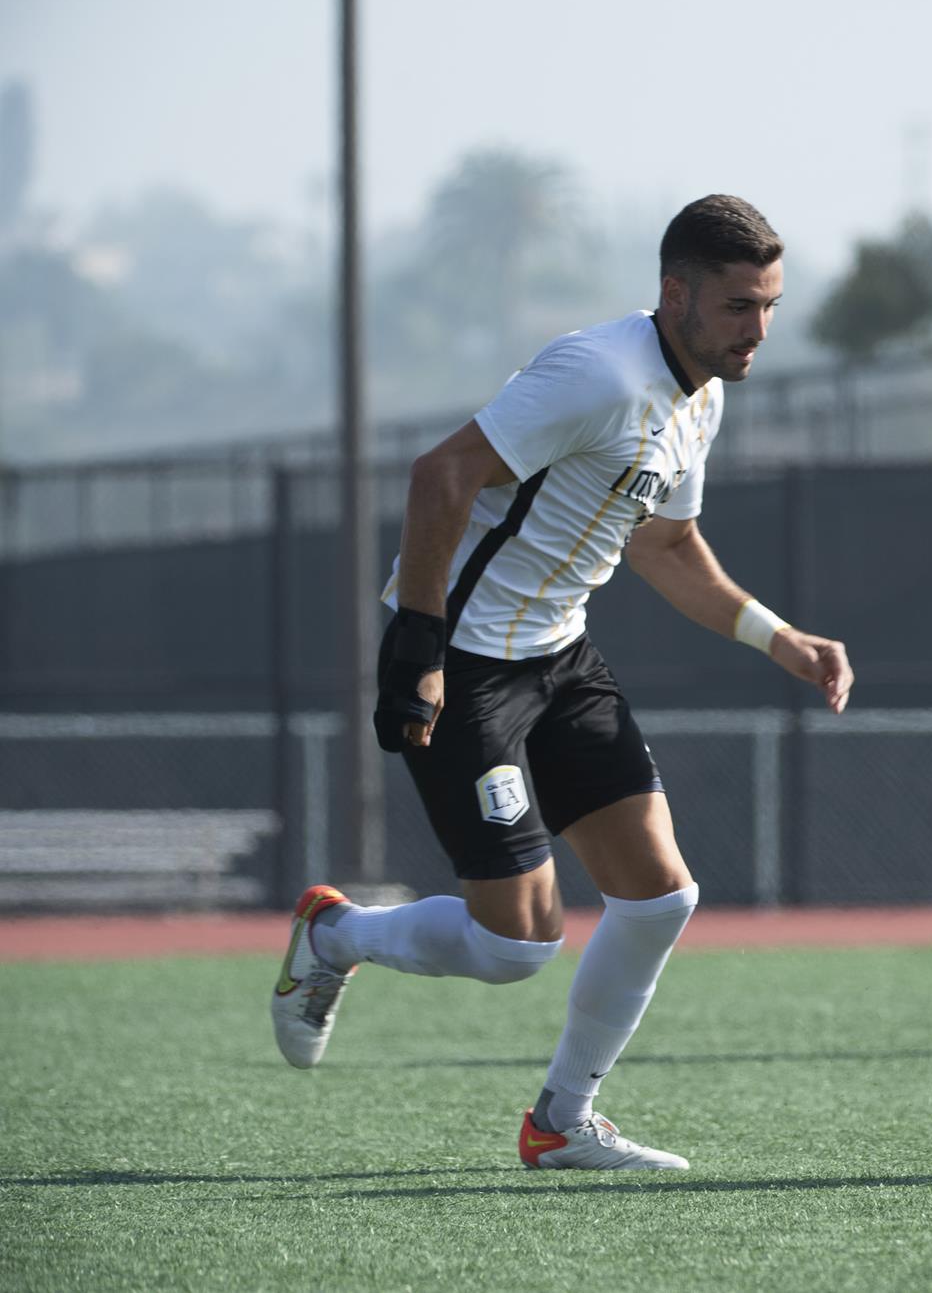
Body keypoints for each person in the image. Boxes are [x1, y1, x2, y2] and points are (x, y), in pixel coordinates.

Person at [270, 194, 853, 1173]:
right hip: (466, 665)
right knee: (516, 946)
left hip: (563, 659)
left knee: (660, 895)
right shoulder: (596, 372)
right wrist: (417, 642)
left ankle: (561, 1120)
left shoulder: (699, 393)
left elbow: (665, 546)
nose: (758, 330)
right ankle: (335, 935)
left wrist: (777, 636)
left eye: (769, 307)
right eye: (739, 306)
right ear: (674, 293)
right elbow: (439, 476)